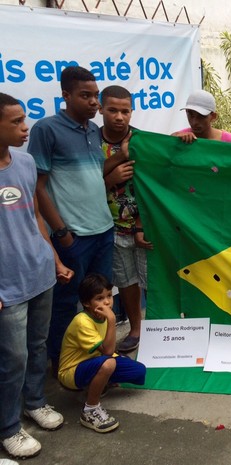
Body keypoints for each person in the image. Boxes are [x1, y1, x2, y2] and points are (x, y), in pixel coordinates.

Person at [28, 66, 120, 375]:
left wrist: (121, 158)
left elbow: (94, 173)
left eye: (96, 95)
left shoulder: (93, 130)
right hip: (73, 236)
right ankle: (63, 363)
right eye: (86, 95)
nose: (94, 102)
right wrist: (61, 231)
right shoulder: (47, 130)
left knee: (101, 301)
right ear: (65, 95)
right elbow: (37, 186)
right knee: (67, 303)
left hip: (103, 231)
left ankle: (100, 358)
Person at [0, 93, 73, 459]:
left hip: (39, 272)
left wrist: (54, 259)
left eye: (24, 119)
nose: (25, 127)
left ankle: (35, 402)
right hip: (6, 286)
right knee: (11, 359)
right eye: (15, 122)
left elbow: (35, 218)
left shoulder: (26, 163)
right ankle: (9, 427)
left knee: (36, 348)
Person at [58, 273, 146, 433]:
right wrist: (112, 320)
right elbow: (107, 351)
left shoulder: (103, 316)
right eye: (99, 298)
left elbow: (107, 351)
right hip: (72, 371)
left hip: (96, 360)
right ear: (86, 303)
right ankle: (90, 410)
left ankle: (101, 381)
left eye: (109, 296)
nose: (107, 302)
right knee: (109, 363)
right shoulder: (82, 321)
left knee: (139, 372)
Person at [100, 85, 152, 353]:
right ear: (101, 109)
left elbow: (154, 185)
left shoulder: (143, 141)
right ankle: (135, 328)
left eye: (125, 111)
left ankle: (159, 331)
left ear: (132, 112)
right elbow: (86, 181)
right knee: (127, 282)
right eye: (113, 110)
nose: (119, 117)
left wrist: (142, 224)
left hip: (144, 227)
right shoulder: (91, 141)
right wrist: (111, 176)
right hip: (112, 227)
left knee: (150, 281)